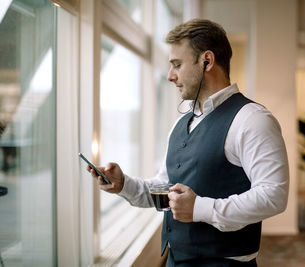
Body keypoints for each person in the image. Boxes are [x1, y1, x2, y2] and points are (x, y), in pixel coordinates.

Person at [87, 19, 289, 266]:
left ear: (207, 61)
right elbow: (165, 188)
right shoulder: (181, 123)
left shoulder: (252, 119)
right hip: (175, 260)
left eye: (177, 65)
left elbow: (274, 195)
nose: (170, 76)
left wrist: (200, 208)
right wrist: (123, 184)